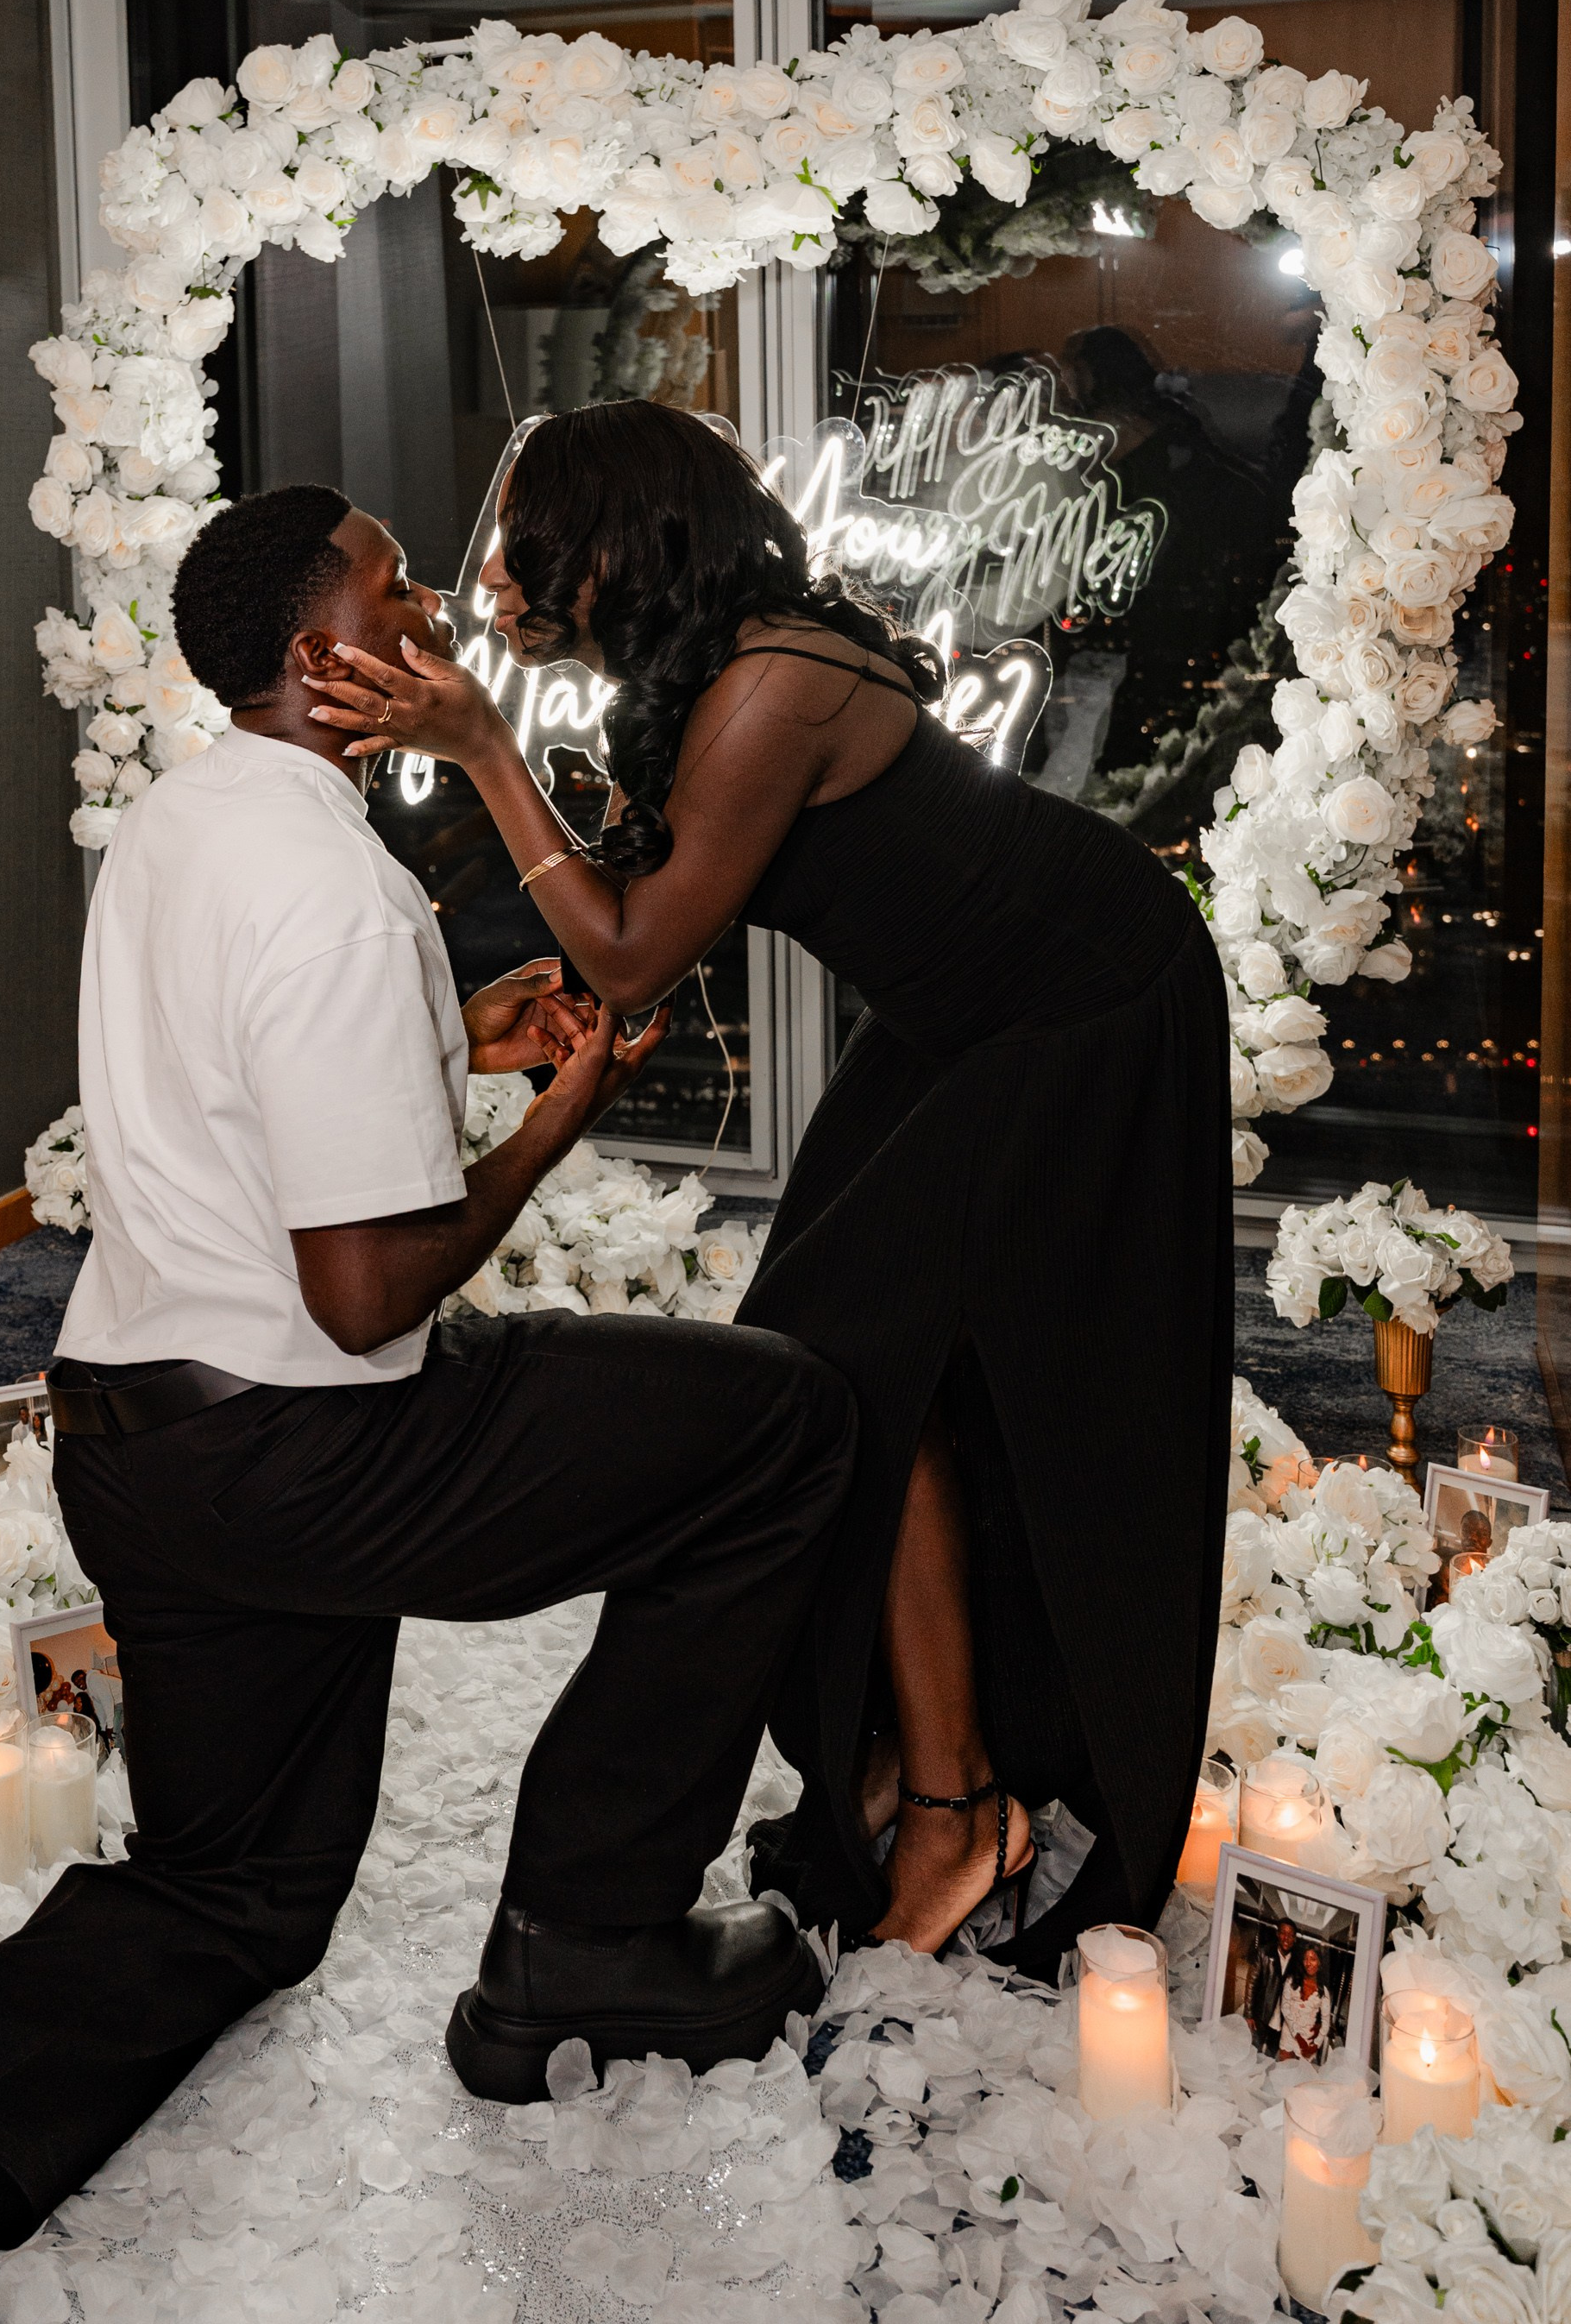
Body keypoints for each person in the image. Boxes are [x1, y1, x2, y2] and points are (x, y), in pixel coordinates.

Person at [0, 483, 858, 2319]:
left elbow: (227, 1072)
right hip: (307, 1445)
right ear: (327, 658)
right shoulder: (333, 890)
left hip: (132, 1438)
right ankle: (588, 1934)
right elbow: (368, 1288)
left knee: (247, 1886)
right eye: (405, 589)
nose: (446, 616)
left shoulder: (184, 821)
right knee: (777, 1425)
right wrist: (551, 1120)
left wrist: (438, 1038)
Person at [305, 399, 1233, 1971]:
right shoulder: (713, 672)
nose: (503, 581)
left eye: (531, 545)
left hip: (1085, 1001)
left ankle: (960, 1807)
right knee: (833, 1365)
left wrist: (483, 749)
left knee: (861, 1377)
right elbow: (636, 918)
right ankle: (901, 1751)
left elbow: (631, 943)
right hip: (961, 1015)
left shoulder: (775, 689)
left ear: (623, 541)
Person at [1245, 1916, 1294, 2059]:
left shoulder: (1296, 1962)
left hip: (1281, 2022)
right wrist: (1249, 2014)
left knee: (1271, 2058)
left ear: (1294, 1939)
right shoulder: (1264, 1953)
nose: (1286, 1938)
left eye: (1291, 1935)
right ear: (1278, 1934)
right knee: (1253, 2053)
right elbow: (1251, 1984)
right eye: (1284, 1933)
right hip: (1261, 2015)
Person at [1275, 1943, 1330, 2064]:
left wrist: (1315, 2045)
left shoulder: (1323, 1991)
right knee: (1283, 2076)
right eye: (1306, 1959)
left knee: (1300, 2081)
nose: (1308, 1963)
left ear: (1319, 1963)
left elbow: (1326, 2023)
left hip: (1308, 2042)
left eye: (1313, 1959)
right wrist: (1298, 2038)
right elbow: (1285, 2009)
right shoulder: (1291, 1981)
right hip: (1289, 2035)